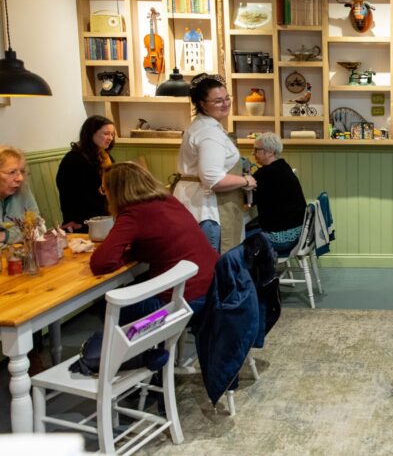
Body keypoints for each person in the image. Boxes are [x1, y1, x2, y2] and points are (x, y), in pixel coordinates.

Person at [90, 162, 217, 320]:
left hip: (185, 300)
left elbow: (100, 263)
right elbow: (155, 245)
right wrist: (134, 253)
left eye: (104, 189)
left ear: (115, 191)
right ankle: (158, 342)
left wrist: (127, 256)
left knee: (107, 309)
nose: (105, 195)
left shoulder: (132, 213)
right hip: (214, 287)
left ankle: (146, 341)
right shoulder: (168, 200)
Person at [173, 74, 256, 253]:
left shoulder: (205, 127)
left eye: (227, 98)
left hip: (197, 205)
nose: (225, 104)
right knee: (214, 269)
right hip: (206, 210)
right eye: (218, 101)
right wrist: (246, 181)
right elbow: (213, 179)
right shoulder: (208, 133)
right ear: (203, 104)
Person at [55, 115, 115, 232]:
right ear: (91, 133)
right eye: (106, 133)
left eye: (112, 134)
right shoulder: (74, 159)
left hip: (105, 216)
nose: (110, 138)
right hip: (83, 221)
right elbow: (67, 193)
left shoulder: (104, 156)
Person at [250, 132, 306, 254]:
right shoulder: (283, 166)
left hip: (282, 237)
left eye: (256, 150)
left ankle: (253, 273)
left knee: (239, 237)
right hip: (298, 232)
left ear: (270, 152)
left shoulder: (266, 174)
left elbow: (249, 201)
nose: (253, 153)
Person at [0, 145, 39, 244]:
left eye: (21, 171)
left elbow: (38, 228)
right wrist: (20, 234)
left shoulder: (23, 190)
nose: (20, 178)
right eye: (12, 172)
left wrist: (5, 236)